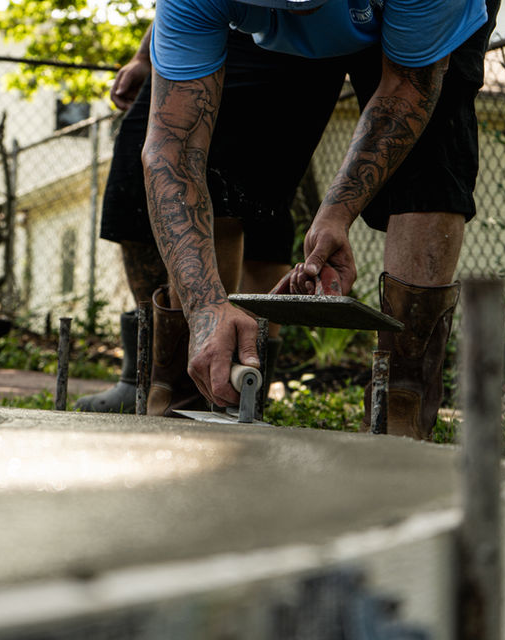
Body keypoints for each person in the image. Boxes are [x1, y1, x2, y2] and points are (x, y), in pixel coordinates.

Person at [143, 0, 500, 439]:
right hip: (256, 33)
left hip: (413, 20)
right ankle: (188, 391)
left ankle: (401, 405)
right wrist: (204, 306)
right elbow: (172, 151)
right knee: (221, 161)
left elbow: (410, 86)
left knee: (429, 159)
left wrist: (336, 213)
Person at [76, 24, 349, 415]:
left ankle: (234, 383)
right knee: (137, 179)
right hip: (209, 36)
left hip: (296, 42)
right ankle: (155, 374)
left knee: (235, 199)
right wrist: (143, 55)